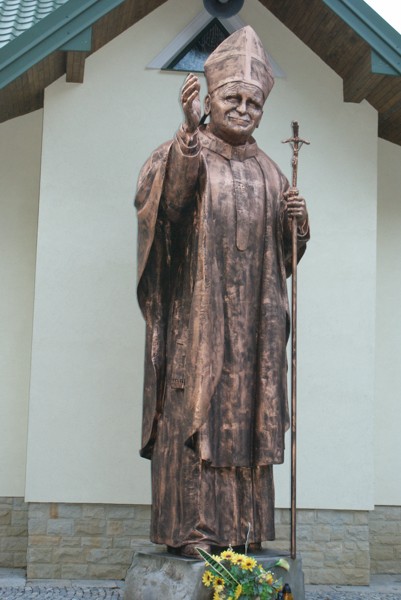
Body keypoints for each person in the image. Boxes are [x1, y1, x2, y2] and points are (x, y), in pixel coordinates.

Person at [135, 26, 309, 558]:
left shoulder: (271, 171)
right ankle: (195, 530)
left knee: (250, 419)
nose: (244, 109)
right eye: (233, 99)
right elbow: (167, 209)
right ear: (208, 100)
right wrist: (188, 137)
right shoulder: (183, 151)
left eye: (253, 103)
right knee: (195, 419)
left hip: (255, 329)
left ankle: (244, 530)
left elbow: (285, 258)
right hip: (198, 322)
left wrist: (297, 224)